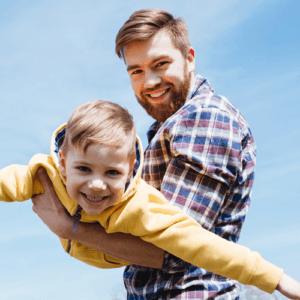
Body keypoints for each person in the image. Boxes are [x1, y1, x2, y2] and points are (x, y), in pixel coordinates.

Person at [29, 9, 300, 300]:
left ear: (190, 58)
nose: (150, 81)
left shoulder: (204, 117)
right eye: (137, 71)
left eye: (160, 64)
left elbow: (173, 249)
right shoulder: (167, 128)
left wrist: (69, 229)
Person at [1, 99, 299, 298]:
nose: (96, 185)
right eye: (83, 168)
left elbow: (200, 244)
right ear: (64, 163)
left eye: (112, 173)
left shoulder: (138, 207)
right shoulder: (44, 173)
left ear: (131, 170)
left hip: (131, 257)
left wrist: (276, 279)